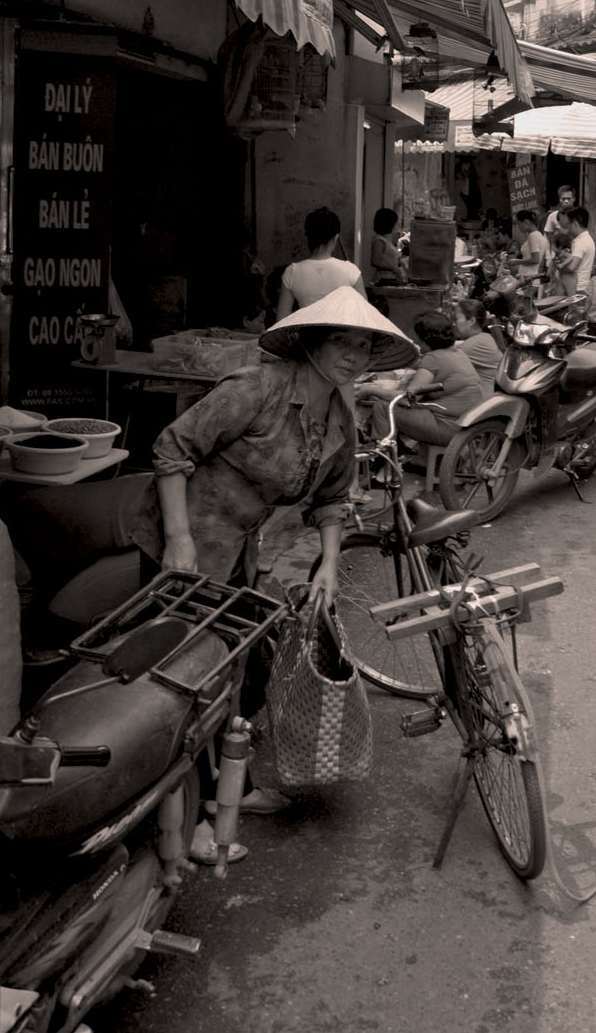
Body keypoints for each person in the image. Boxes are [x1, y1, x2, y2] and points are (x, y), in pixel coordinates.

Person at [129, 286, 418, 864]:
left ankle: (217, 785)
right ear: (311, 343)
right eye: (341, 340)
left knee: (249, 664)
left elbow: (333, 499)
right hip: (182, 542)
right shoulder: (255, 389)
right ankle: (174, 822)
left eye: (363, 346)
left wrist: (330, 568)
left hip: (240, 552)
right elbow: (171, 449)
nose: (354, 356)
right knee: (183, 678)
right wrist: (180, 541)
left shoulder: (339, 419)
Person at [357, 310, 486, 448]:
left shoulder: (433, 358)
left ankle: (382, 457)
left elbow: (407, 399)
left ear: (424, 339)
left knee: (382, 407)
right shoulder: (456, 353)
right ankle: (402, 449)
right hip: (467, 427)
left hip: (449, 429)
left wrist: (370, 389)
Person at [276, 207, 366, 319]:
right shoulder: (350, 271)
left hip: (306, 335)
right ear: (336, 238)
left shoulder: (292, 272)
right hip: (341, 335)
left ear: (308, 236)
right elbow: (364, 317)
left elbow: (281, 320)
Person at [453, 298, 502, 390]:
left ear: (471, 321)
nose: (454, 324)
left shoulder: (474, 345)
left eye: (456, 319)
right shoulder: (483, 338)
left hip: (481, 401)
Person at [508, 210, 549, 283]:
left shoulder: (533, 236)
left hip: (529, 277)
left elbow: (535, 259)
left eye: (519, 224)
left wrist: (517, 261)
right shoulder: (538, 235)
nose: (519, 227)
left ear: (526, 222)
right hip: (530, 276)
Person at [370, 207, 407, 285]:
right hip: (382, 279)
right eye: (395, 222)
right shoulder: (379, 240)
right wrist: (393, 268)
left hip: (391, 278)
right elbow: (375, 261)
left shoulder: (387, 240)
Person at [566, 206, 596, 292]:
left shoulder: (581, 242)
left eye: (569, 224)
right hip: (583, 287)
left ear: (575, 224)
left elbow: (572, 267)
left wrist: (559, 266)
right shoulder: (588, 239)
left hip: (577, 289)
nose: (568, 228)